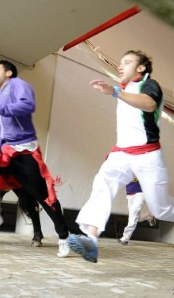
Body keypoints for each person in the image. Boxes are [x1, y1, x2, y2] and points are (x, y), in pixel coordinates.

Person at [68, 50, 174, 263]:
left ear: (141, 68)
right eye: (121, 61)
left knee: (160, 210)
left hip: (147, 155)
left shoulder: (148, 85)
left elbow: (149, 104)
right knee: (102, 184)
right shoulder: (125, 89)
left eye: (127, 62)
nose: (120, 65)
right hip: (122, 153)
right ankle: (91, 240)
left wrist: (115, 91)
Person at [0, 60, 70, 257]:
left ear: (8, 73)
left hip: (24, 150)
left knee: (43, 196)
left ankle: (64, 236)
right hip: (4, 149)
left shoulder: (19, 85)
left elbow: (27, 106)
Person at [118, 178, 156, 246]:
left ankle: (125, 238)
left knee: (133, 215)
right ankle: (149, 217)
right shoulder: (128, 169)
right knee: (137, 218)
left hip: (140, 194)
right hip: (129, 195)